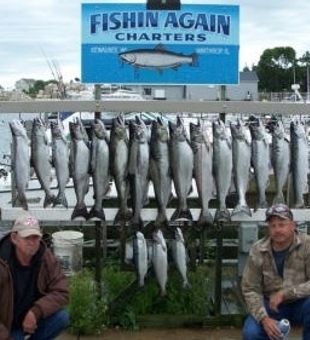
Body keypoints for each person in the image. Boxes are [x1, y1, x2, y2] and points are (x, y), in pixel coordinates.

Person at [242, 203, 310, 339]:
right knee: (251, 333)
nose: (277, 230)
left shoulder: (307, 244)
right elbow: (250, 289)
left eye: (282, 224)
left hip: (301, 303)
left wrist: (285, 293)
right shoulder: (258, 249)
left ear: (293, 225)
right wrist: (264, 319)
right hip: (270, 306)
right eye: (273, 225)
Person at [0, 212, 69, 340]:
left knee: (62, 317)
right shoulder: (2, 262)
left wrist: (35, 312)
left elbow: (62, 291)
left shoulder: (46, 256)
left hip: (33, 324)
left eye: (36, 237)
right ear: (14, 238)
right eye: (27, 238)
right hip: (8, 329)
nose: (32, 242)